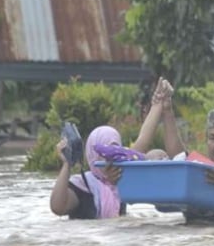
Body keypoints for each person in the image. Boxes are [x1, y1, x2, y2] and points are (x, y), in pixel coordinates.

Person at [50, 78, 174, 219]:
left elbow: (143, 140)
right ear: (93, 156)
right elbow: (57, 207)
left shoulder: (123, 177)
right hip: (90, 237)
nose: (111, 159)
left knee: (156, 154)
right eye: (105, 153)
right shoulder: (83, 186)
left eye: (115, 150)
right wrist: (67, 165)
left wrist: (158, 103)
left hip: (116, 236)